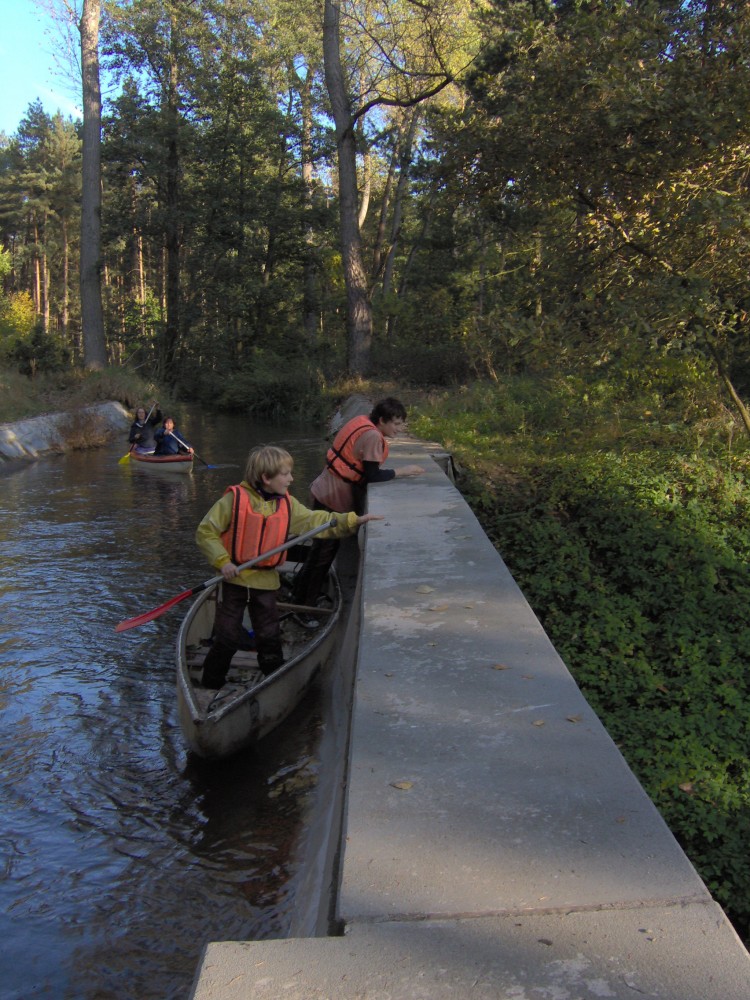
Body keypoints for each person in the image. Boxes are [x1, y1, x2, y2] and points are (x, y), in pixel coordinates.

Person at [195, 444, 382, 690]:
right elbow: (206, 533)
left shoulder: (286, 504)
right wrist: (223, 561)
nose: (291, 479)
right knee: (227, 638)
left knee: (269, 636)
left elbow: (317, 521)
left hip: (266, 582)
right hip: (234, 580)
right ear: (266, 478)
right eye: (285, 474)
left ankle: (274, 682)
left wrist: (352, 520)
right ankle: (210, 685)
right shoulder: (233, 500)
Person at [290, 397, 425, 620]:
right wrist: (403, 471)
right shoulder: (372, 436)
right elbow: (373, 475)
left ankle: (298, 594)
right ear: (381, 421)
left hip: (323, 489)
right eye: (396, 424)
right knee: (323, 555)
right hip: (333, 497)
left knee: (318, 551)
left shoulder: (361, 420)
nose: (400, 429)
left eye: (401, 424)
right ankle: (304, 609)